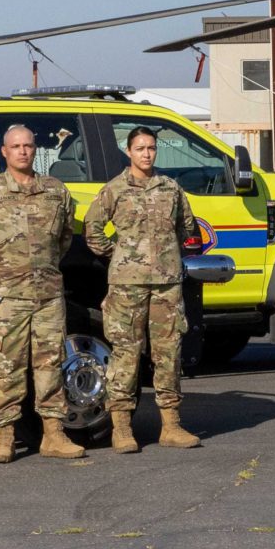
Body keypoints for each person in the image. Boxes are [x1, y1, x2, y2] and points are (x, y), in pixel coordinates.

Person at [0, 123, 84, 463]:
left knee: (51, 362)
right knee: (4, 364)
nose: (23, 151)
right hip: (5, 296)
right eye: (16, 146)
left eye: (28, 145)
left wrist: (45, 267)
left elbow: (65, 237)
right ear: (4, 151)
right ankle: (4, 435)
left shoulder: (56, 191)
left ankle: (54, 434)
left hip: (47, 294)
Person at [85, 125, 203, 452]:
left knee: (169, 352)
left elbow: (186, 228)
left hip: (166, 284)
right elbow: (92, 229)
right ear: (129, 151)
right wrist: (120, 255)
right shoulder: (115, 189)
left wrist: (165, 257)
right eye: (140, 148)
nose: (147, 154)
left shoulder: (170, 188)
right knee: (126, 352)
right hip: (127, 285)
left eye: (151, 148)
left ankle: (172, 425)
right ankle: (121, 428)